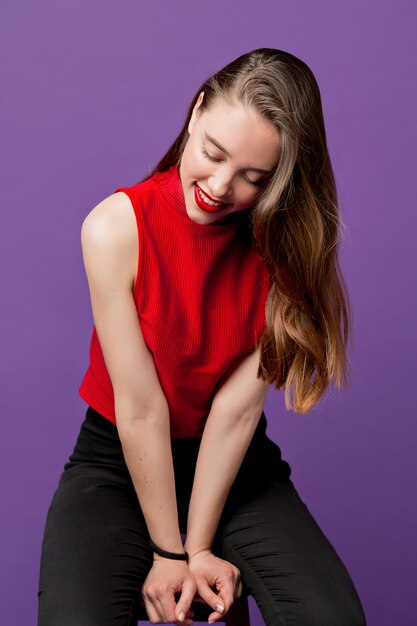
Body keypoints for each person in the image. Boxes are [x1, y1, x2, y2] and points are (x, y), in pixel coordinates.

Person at [37, 48, 367, 626]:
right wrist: (169, 553)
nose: (219, 186)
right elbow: (140, 407)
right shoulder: (114, 227)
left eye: (253, 178)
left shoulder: (282, 253)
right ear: (195, 112)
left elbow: (236, 415)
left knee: (331, 616)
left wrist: (199, 549)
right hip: (118, 454)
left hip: (235, 465)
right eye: (213, 154)